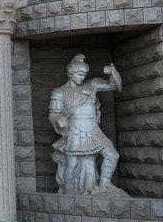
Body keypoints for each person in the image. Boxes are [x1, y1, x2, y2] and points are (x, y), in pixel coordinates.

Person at [49, 54, 123, 195]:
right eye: (79, 74)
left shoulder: (91, 85)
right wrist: (58, 119)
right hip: (75, 132)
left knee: (112, 155)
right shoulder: (59, 92)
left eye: (84, 74)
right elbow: (53, 113)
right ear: (70, 74)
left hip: (94, 130)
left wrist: (113, 73)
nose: (82, 77)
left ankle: (104, 185)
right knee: (72, 164)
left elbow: (114, 86)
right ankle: (68, 194)